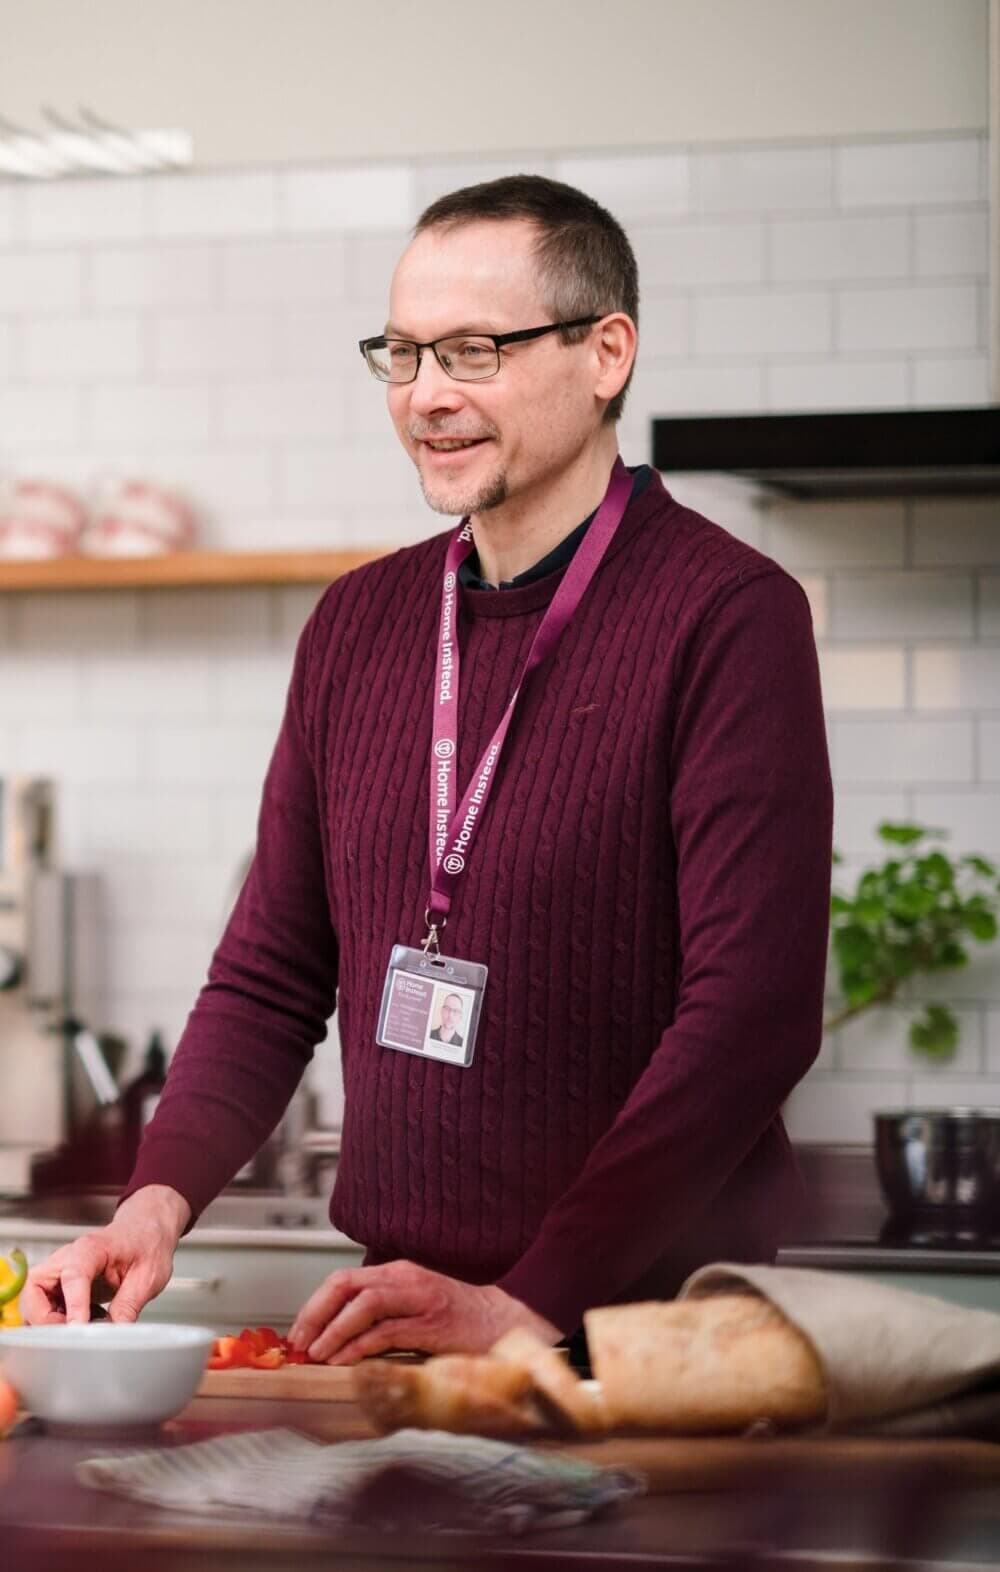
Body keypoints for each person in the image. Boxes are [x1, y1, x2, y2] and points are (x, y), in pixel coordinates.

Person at [23, 175, 833, 1366]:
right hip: (402, 1335)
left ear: (605, 353)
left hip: (652, 1349)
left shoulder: (727, 617)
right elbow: (268, 975)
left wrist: (530, 1302)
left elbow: (751, 1022)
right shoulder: (356, 625)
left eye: (472, 351)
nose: (426, 398)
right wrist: (155, 1202)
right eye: (401, 355)